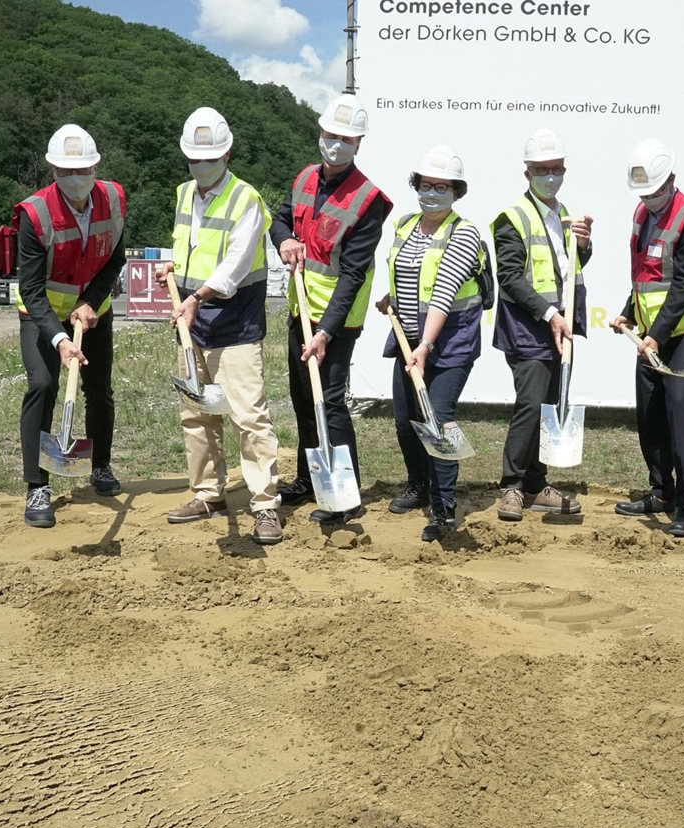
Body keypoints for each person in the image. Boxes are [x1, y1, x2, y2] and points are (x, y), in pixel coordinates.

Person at [154, 106, 283, 545]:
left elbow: (233, 266)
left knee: (248, 417)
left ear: (227, 155)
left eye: (209, 159)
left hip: (234, 321)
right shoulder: (184, 193)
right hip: (191, 321)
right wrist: (173, 265)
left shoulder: (246, 198)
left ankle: (265, 505)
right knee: (195, 415)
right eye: (194, 159)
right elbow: (191, 244)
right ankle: (208, 493)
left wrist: (195, 298)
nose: (201, 166)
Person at [269, 94, 391, 526]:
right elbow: (280, 219)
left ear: (358, 143)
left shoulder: (368, 199)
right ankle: (307, 478)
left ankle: (347, 491)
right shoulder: (306, 177)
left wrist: (327, 332)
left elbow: (354, 274)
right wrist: (283, 239)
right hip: (300, 309)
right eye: (329, 135)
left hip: (337, 319)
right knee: (303, 396)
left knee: (331, 402)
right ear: (319, 134)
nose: (335, 144)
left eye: (345, 138)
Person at [15, 124, 126, 528]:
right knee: (42, 386)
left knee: (99, 389)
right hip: (42, 315)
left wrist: (90, 303)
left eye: (82, 170)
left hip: (94, 312)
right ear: (52, 170)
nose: (74, 178)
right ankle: (36, 486)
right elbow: (29, 287)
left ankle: (100, 466)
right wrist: (60, 339)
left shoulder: (113, 199)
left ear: (96, 167)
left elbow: (115, 258)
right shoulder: (35, 214)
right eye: (65, 171)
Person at [375, 146, 487, 541]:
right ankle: (417, 484)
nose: (433, 192)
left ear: (457, 191)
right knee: (406, 421)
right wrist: (392, 299)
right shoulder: (405, 224)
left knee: (438, 418)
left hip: (449, 343)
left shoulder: (465, 231)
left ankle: (444, 509)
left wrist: (426, 345)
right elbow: (405, 272)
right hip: (407, 340)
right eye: (426, 185)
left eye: (443, 186)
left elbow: (443, 292)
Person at [609, 139, 684, 538]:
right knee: (650, 410)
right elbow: (648, 275)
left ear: (671, 180)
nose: (650, 199)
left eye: (656, 191)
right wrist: (630, 310)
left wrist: (655, 334)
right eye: (644, 192)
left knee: (678, 407)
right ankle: (660, 491)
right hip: (652, 333)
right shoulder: (643, 213)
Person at [490, 128, 590, 522]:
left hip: (559, 327)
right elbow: (511, 278)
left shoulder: (562, 214)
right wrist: (550, 315)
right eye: (542, 169)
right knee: (530, 406)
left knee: (549, 406)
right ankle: (512, 486)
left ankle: (535, 483)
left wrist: (584, 243)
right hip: (528, 328)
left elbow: (566, 267)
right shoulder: (511, 218)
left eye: (556, 168)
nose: (551, 175)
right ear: (527, 172)